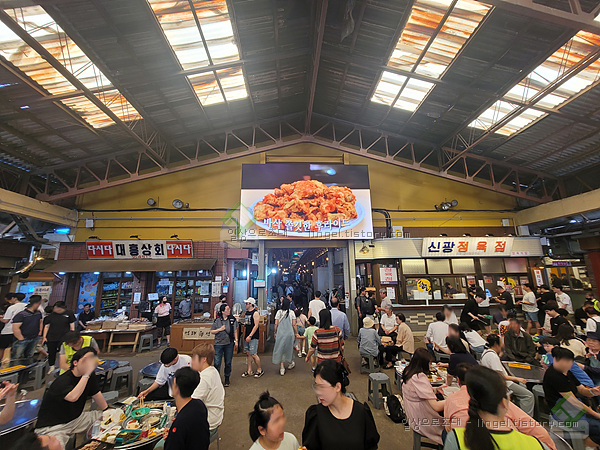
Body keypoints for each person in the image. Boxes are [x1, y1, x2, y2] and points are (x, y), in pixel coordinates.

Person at [444, 363, 556, 450]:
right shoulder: (535, 445)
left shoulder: (456, 439)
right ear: (504, 402)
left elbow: (447, 427)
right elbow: (539, 432)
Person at [35, 347, 107, 448]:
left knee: (108, 416)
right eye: (86, 360)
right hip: (53, 427)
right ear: (75, 363)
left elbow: (96, 393)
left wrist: (107, 410)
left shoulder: (89, 376)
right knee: (56, 446)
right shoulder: (62, 381)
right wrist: (86, 374)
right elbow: (73, 397)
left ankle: (91, 441)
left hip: (76, 419)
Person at [303, 360, 379, 450]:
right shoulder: (316, 415)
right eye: (316, 387)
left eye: (322, 387)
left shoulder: (361, 412)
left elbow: (371, 446)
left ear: (337, 387)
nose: (318, 393)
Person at [543, 347, 600, 447]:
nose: (569, 364)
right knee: (598, 427)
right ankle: (583, 446)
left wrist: (592, 391)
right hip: (562, 411)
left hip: (573, 409)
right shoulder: (554, 376)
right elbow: (573, 402)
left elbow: (581, 389)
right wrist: (596, 414)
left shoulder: (567, 372)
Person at [480, 334, 534, 416]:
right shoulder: (492, 356)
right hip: (503, 383)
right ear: (496, 344)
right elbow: (499, 375)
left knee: (522, 387)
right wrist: (517, 379)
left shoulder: (486, 352)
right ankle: (526, 417)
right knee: (528, 395)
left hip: (494, 382)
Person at [402, 347, 445, 444]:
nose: (431, 366)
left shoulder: (408, 370)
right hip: (421, 417)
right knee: (450, 428)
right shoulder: (419, 377)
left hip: (412, 413)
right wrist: (453, 399)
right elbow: (436, 406)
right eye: (429, 363)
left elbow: (415, 390)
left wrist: (435, 389)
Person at [164, 367, 210, 450]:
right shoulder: (199, 405)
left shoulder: (180, 423)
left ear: (177, 389)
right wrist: (172, 435)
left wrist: (173, 436)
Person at [191, 343, 224, 439]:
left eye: (194, 358)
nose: (191, 362)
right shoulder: (212, 371)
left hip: (208, 424)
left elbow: (191, 404)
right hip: (215, 418)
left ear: (203, 359)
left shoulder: (205, 378)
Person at [42, 301, 76, 372]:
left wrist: (72, 334)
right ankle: (51, 366)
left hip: (64, 337)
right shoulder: (50, 316)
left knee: (64, 351)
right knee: (51, 352)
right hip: (51, 336)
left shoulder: (69, 314)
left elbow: (72, 324)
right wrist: (44, 337)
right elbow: (46, 326)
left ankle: (65, 366)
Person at [11, 295, 42, 366]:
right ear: (36, 304)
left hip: (34, 337)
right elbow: (15, 328)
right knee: (17, 357)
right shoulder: (21, 315)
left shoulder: (38, 313)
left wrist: (39, 332)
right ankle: (16, 371)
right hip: (23, 338)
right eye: (39, 303)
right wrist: (20, 338)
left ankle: (27, 370)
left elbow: (40, 322)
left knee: (29, 356)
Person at [211, 303, 238, 387]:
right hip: (218, 343)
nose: (229, 310)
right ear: (222, 311)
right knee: (217, 362)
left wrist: (236, 340)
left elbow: (235, 330)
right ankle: (216, 379)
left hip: (229, 343)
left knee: (228, 362)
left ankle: (227, 378)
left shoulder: (232, 319)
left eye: (229, 309)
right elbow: (212, 331)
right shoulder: (217, 320)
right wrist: (220, 329)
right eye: (227, 309)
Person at [273, 298, 299, 376]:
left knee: (280, 349)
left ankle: (282, 367)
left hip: (280, 334)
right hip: (289, 334)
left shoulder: (279, 312)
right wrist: (296, 333)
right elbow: (294, 324)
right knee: (289, 348)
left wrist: (275, 332)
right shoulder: (291, 313)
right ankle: (290, 362)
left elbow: (276, 324)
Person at [0, 293, 26, 362]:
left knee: (2, 348)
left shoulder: (12, 307)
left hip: (8, 330)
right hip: (20, 331)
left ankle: (2, 362)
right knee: (15, 349)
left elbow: (6, 320)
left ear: (15, 298)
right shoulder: (26, 306)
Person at [242, 297, 264, 378]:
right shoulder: (247, 313)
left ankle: (259, 369)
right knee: (248, 353)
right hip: (247, 335)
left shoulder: (255, 313)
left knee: (254, 354)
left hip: (253, 336)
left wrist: (250, 335)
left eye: (247, 303)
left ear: (251, 304)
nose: (246, 305)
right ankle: (249, 370)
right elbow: (248, 323)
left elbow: (256, 325)